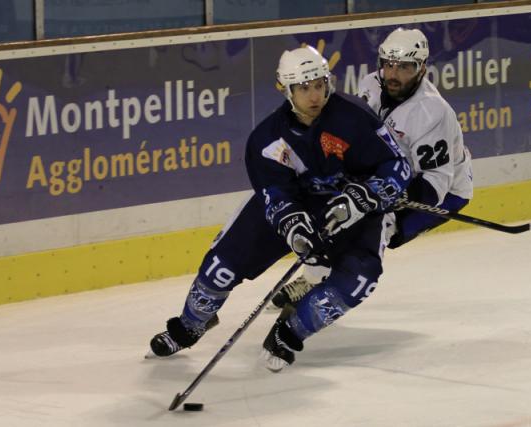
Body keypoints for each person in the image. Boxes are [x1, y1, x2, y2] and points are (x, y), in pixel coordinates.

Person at [148, 45, 411, 372]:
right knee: (221, 268)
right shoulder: (267, 140)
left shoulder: (354, 117)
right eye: (303, 88)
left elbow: (397, 166)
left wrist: (366, 195)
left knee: (360, 278)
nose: (314, 95)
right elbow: (274, 193)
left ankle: (291, 330)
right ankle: (190, 325)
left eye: (319, 84)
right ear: (286, 90)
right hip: (297, 206)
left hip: (351, 212)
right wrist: (295, 229)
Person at [271, 27, 473, 308]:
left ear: (422, 68)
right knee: (329, 206)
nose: (393, 74)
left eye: (404, 67)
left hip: (441, 192)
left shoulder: (433, 113)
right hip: (385, 174)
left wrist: (387, 197)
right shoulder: (370, 85)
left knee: (377, 228)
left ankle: (321, 289)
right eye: (388, 64)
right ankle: (315, 277)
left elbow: (434, 184)